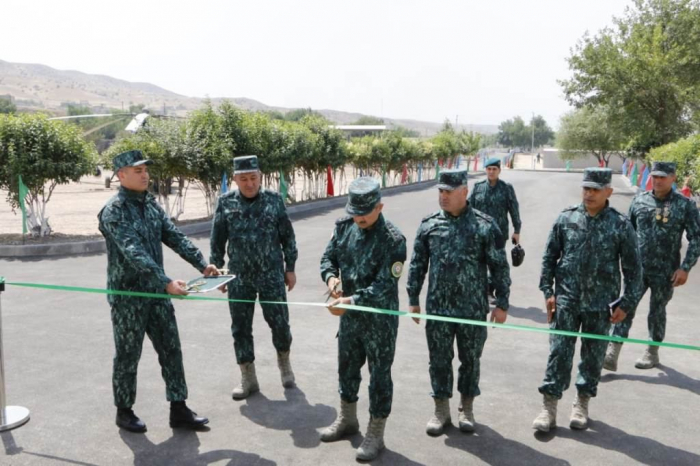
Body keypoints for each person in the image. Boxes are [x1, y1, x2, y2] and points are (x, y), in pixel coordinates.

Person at [99, 149, 215, 433]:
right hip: (130, 297)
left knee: (171, 349)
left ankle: (179, 409)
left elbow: (174, 236)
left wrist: (203, 265)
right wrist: (165, 281)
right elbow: (133, 253)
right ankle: (124, 411)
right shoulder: (114, 211)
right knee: (128, 354)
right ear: (121, 175)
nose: (144, 174)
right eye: (137, 170)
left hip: (157, 295)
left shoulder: (150, 206)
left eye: (145, 169)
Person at [533, 168, 643, 432]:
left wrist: (626, 304)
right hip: (566, 302)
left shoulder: (620, 224)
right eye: (586, 188)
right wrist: (548, 292)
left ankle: (582, 403)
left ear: (609, 192)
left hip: (600, 306)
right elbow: (549, 258)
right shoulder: (566, 218)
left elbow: (633, 270)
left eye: (595, 189)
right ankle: (549, 407)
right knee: (558, 353)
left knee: (592, 358)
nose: (589, 193)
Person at [406, 168, 510, 436]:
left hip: (472, 309)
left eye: (449, 192)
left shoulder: (484, 225)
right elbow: (418, 264)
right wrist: (413, 298)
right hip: (439, 308)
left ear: (464, 191)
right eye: (440, 191)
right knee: (439, 360)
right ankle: (441, 409)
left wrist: (502, 303)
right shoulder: (429, 224)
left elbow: (499, 267)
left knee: (471, 360)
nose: (443, 196)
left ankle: (466, 407)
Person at [320, 177, 406, 461]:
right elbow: (328, 259)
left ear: (380, 207)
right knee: (346, 367)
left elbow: (384, 285)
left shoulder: (394, 240)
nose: (358, 217)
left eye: (365, 212)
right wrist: (332, 279)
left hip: (379, 321)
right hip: (349, 319)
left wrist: (351, 300)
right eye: (354, 211)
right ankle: (348, 419)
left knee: (379, 376)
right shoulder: (344, 228)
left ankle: (376, 433)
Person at [210, 155, 298, 399]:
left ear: (260, 176)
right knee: (240, 328)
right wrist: (217, 272)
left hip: (271, 274)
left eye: (253, 178)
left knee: (280, 324)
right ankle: (248, 377)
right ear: (236, 178)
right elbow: (217, 239)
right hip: (239, 277)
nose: (249, 183)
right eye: (244, 179)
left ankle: (285, 363)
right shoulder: (225, 203)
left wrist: (290, 267)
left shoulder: (274, 200)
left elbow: (287, 237)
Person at [604, 162, 700, 371]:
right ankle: (613, 350)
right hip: (637, 269)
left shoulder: (685, 205)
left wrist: (685, 267)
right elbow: (627, 233)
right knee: (624, 307)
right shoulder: (639, 200)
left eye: (663, 177)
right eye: (655, 176)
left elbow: (696, 238)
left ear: (673, 178)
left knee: (657, 311)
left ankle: (652, 350)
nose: (657, 180)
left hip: (666, 271)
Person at [469, 158, 522, 297]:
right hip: (479, 233)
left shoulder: (506, 188)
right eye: (489, 169)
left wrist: (517, 230)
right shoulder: (477, 187)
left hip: (498, 234)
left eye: (494, 169)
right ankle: (484, 290)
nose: (491, 172)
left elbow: (514, 209)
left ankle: (494, 290)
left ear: (499, 171)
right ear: (486, 170)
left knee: (496, 264)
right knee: (479, 262)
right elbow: (468, 209)